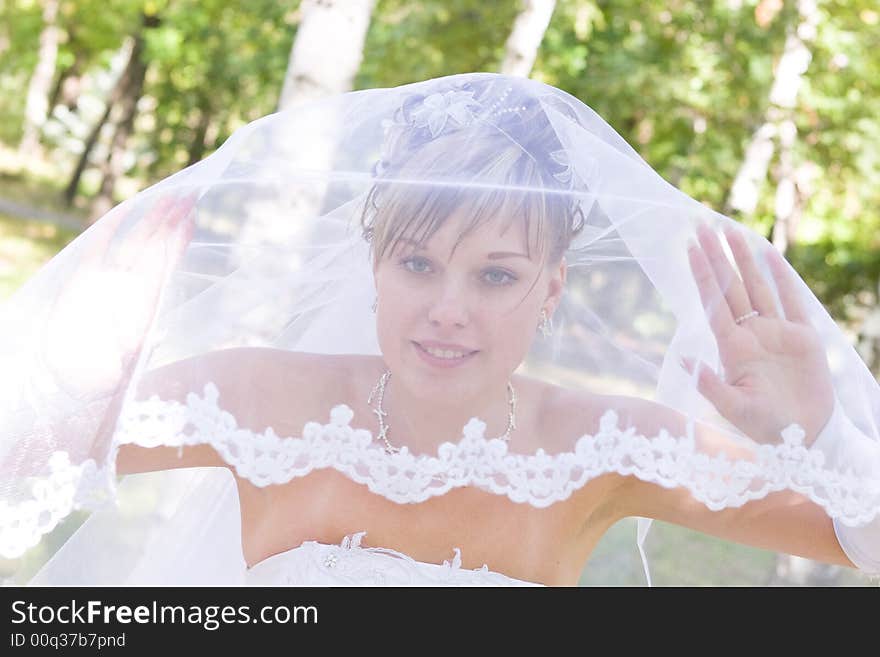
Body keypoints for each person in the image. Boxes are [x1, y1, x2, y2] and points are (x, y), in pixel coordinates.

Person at [2, 73, 879, 586]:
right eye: (417, 263)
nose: (447, 309)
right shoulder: (257, 400)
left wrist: (826, 439)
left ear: (550, 288)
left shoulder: (604, 447)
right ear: (374, 264)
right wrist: (74, 378)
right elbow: (21, 462)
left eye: (496, 275)